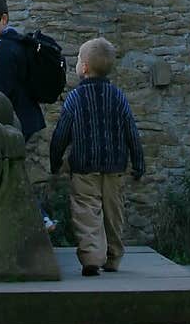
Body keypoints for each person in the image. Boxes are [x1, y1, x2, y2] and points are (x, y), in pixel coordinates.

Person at [49, 37, 144, 276]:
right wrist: (138, 162)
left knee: (86, 211)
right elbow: (131, 131)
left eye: (79, 59)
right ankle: (113, 257)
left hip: (84, 166)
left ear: (85, 67)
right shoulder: (119, 96)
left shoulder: (75, 98)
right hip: (115, 166)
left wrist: (55, 160)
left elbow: (62, 133)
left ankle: (91, 257)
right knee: (114, 213)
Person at [0, 0, 55, 229]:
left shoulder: (1, 47)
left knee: (7, 173)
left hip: (15, 122)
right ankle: (39, 218)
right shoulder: (17, 43)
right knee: (10, 172)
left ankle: (39, 218)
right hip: (27, 119)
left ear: (4, 19)